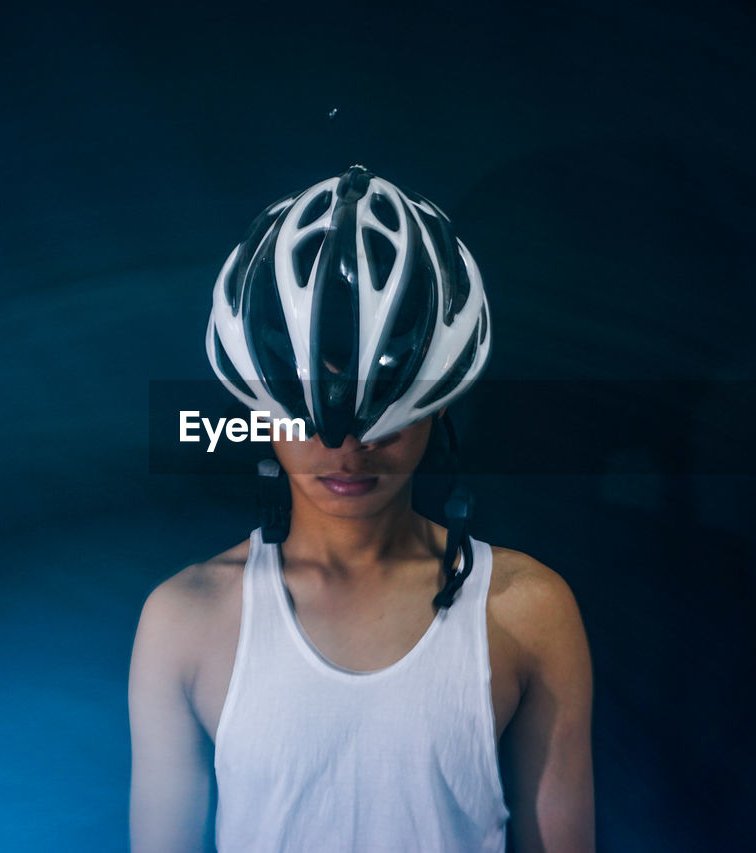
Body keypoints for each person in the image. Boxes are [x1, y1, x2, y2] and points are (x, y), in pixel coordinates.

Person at [129, 165, 594, 852]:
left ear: (436, 407)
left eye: (385, 413)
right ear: (264, 411)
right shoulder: (185, 618)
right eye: (313, 413)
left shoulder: (529, 609)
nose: (347, 448)